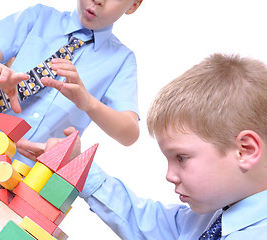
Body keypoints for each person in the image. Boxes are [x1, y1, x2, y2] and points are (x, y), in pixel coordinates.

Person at [28, 53, 267, 239]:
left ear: (245, 150)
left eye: (181, 158)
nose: (169, 175)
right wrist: (77, 166)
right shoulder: (203, 219)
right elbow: (141, 220)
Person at [0, 0, 142, 166]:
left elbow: (129, 134)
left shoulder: (122, 60)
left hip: (26, 174)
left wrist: (89, 103)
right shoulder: (38, 16)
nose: (99, 0)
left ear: (133, 5)